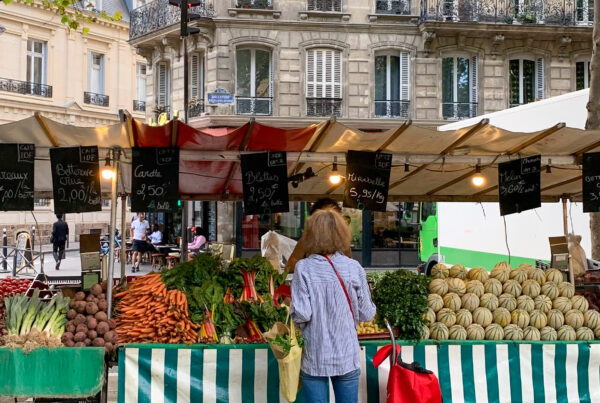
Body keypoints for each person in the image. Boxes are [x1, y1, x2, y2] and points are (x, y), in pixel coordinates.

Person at [290, 209, 376, 403]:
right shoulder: (354, 267)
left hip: (315, 355)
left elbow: (302, 314)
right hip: (347, 354)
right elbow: (367, 313)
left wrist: (292, 310)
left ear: (310, 236)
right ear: (342, 234)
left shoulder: (303, 268)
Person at [285, 198, 352, 273]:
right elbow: (289, 267)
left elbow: (349, 268)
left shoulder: (343, 243)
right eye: (323, 219)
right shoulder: (306, 241)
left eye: (333, 218)